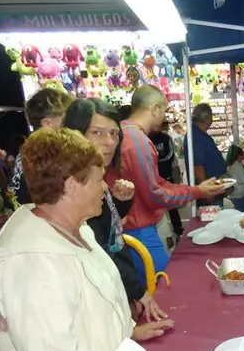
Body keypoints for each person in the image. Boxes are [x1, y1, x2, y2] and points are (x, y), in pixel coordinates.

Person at [0, 128, 173, 351]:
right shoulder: (31, 261)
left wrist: (125, 332)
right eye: (98, 180)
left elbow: (92, 304)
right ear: (73, 186)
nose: (105, 187)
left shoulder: (76, 229)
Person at [63, 98, 166, 322]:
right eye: (97, 133)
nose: (109, 142)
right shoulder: (74, 186)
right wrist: (138, 292)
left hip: (116, 292)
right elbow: (100, 248)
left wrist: (120, 203)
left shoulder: (97, 175)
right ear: (75, 133)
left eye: (114, 134)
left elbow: (106, 228)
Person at [108, 85, 224, 283]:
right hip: (138, 230)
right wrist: (198, 191)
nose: (164, 117)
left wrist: (196, 189)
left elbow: (157, 183)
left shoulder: (127, 134)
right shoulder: (137, 141)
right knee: (166, 286)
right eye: (163, 110)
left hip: (132, 226)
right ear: (154, 109)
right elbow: (155, 194)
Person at [9, 88, 73, 206]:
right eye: (67, 119)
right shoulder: (46, 157)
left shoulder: (29, 150)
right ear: (48, 124)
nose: (73, 124)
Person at [183, 102, 228, 207]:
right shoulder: (196, 136)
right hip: (209, 190)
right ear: (207, 118)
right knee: (213, 215)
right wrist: (206, 191)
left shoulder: (198, 133)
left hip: (212, 187)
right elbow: (198, 166)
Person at [150, 121, 184, 237]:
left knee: (172, 205)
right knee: (154, 206)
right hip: (152, 179)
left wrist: (157, 161)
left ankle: (178, 229)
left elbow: (170, 155)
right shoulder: (146, 138)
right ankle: (156, 233)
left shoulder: (165, 138)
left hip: (166, 177)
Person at [225, 145, 244, 212]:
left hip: (234, 194)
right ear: (239, 155)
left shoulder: (231, 165)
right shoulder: (237, 166)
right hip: (238, 195)